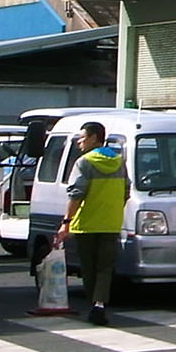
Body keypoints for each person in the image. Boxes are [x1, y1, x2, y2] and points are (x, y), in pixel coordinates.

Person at [55, 121, 128, 325]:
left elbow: (75, 194)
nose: (79, 142)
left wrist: (66, 222)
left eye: (82, 137)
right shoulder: (120, 162)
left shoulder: (84, 163)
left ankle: (93, 304)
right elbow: (126, 191)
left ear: (95, 137)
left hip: (86, 224)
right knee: (105, 267)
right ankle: (99, 305)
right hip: (111, 223)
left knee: (89, 267)